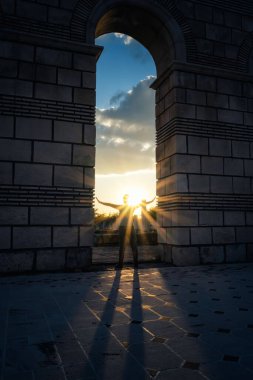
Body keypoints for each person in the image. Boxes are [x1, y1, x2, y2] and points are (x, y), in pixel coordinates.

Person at [96, 194, 139, 268]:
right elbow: (109, 204)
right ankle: (124, 264)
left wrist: (101, 202)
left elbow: (142, 204)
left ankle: (130, 264)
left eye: (126, 199)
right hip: (125, 228)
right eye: (125, 199)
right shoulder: (129, 207)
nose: (125, 200)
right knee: (126, 247)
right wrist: (101, 202)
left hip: (128, 228)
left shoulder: (129, 207)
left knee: (129, 246)